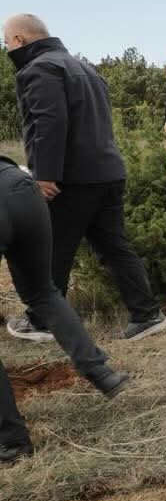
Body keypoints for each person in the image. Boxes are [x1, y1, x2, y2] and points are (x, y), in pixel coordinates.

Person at [2, 13, 166, 343]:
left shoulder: (39, 68)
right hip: (107, 172)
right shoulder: (82, 67)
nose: (7, 48)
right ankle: (147, 314)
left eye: (7, 42)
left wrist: (46, 174)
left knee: (50, 249)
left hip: (71, 178)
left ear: (20, 40)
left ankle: (42, 321)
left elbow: (49, 121)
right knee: (114, 245)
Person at [1, 154, 130, 465]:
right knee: (43, 292)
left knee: (42, 292)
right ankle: (100, 371)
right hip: (21, 185)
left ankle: (11, 441)